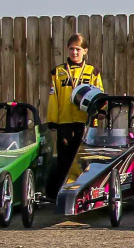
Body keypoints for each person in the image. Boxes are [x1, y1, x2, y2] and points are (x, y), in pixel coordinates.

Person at [43, 34, 103, 200]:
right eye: (71, 49)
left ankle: (84, 192)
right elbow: (53, 97)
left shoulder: (93, 71)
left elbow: (100, 95)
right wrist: (52, 120)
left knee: (84, 158)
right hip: (65, 121)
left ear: (85, 51)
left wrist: (100, 112)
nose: (74, 52)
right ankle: (60, 194)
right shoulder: (58, 72)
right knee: (64, 158)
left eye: (78, 49)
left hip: (85, 122)